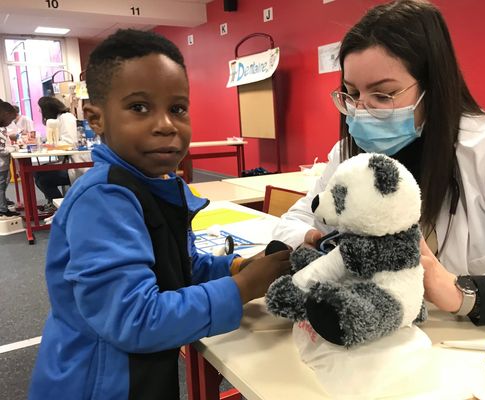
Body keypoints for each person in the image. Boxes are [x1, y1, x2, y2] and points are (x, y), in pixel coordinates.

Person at [273, 0, 485, 331]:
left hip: (483, 349)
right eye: (351, 93)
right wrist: (319, 242)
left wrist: (460, 292)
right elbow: (295, 221)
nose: (362, 111)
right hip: (378, 342)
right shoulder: (349, 154)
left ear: (433, 87)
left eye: (384, 96)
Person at [29, 29, 291, 400]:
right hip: (98, 385)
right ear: (95, 118)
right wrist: (243, 288)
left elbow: (172, 268)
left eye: (177, 108)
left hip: (136, 375)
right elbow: (135, 318)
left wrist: (232, 269)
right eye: (139, 107)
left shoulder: (149, 183)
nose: (165, 124)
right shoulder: (105, 198)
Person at [35, 96, 89, 213]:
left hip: (77, 165)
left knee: (44, 179)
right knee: (38, 172)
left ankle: (61, 210)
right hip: (68, 162)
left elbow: (69, 142)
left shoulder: (66, 118)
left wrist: (51, 144)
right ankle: (53, 204)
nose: (40, 112)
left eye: (41, 109)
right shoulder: (59, 119)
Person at [0, 101, 20, 217]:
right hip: (1, 164)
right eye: (10, 119)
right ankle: (2, 209)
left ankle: (2, 204)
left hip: (3, 164)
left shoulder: (2, 130)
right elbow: (1, 150)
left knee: (3, 185)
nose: (10, 122)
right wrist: (13, 148)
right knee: (1, 187)